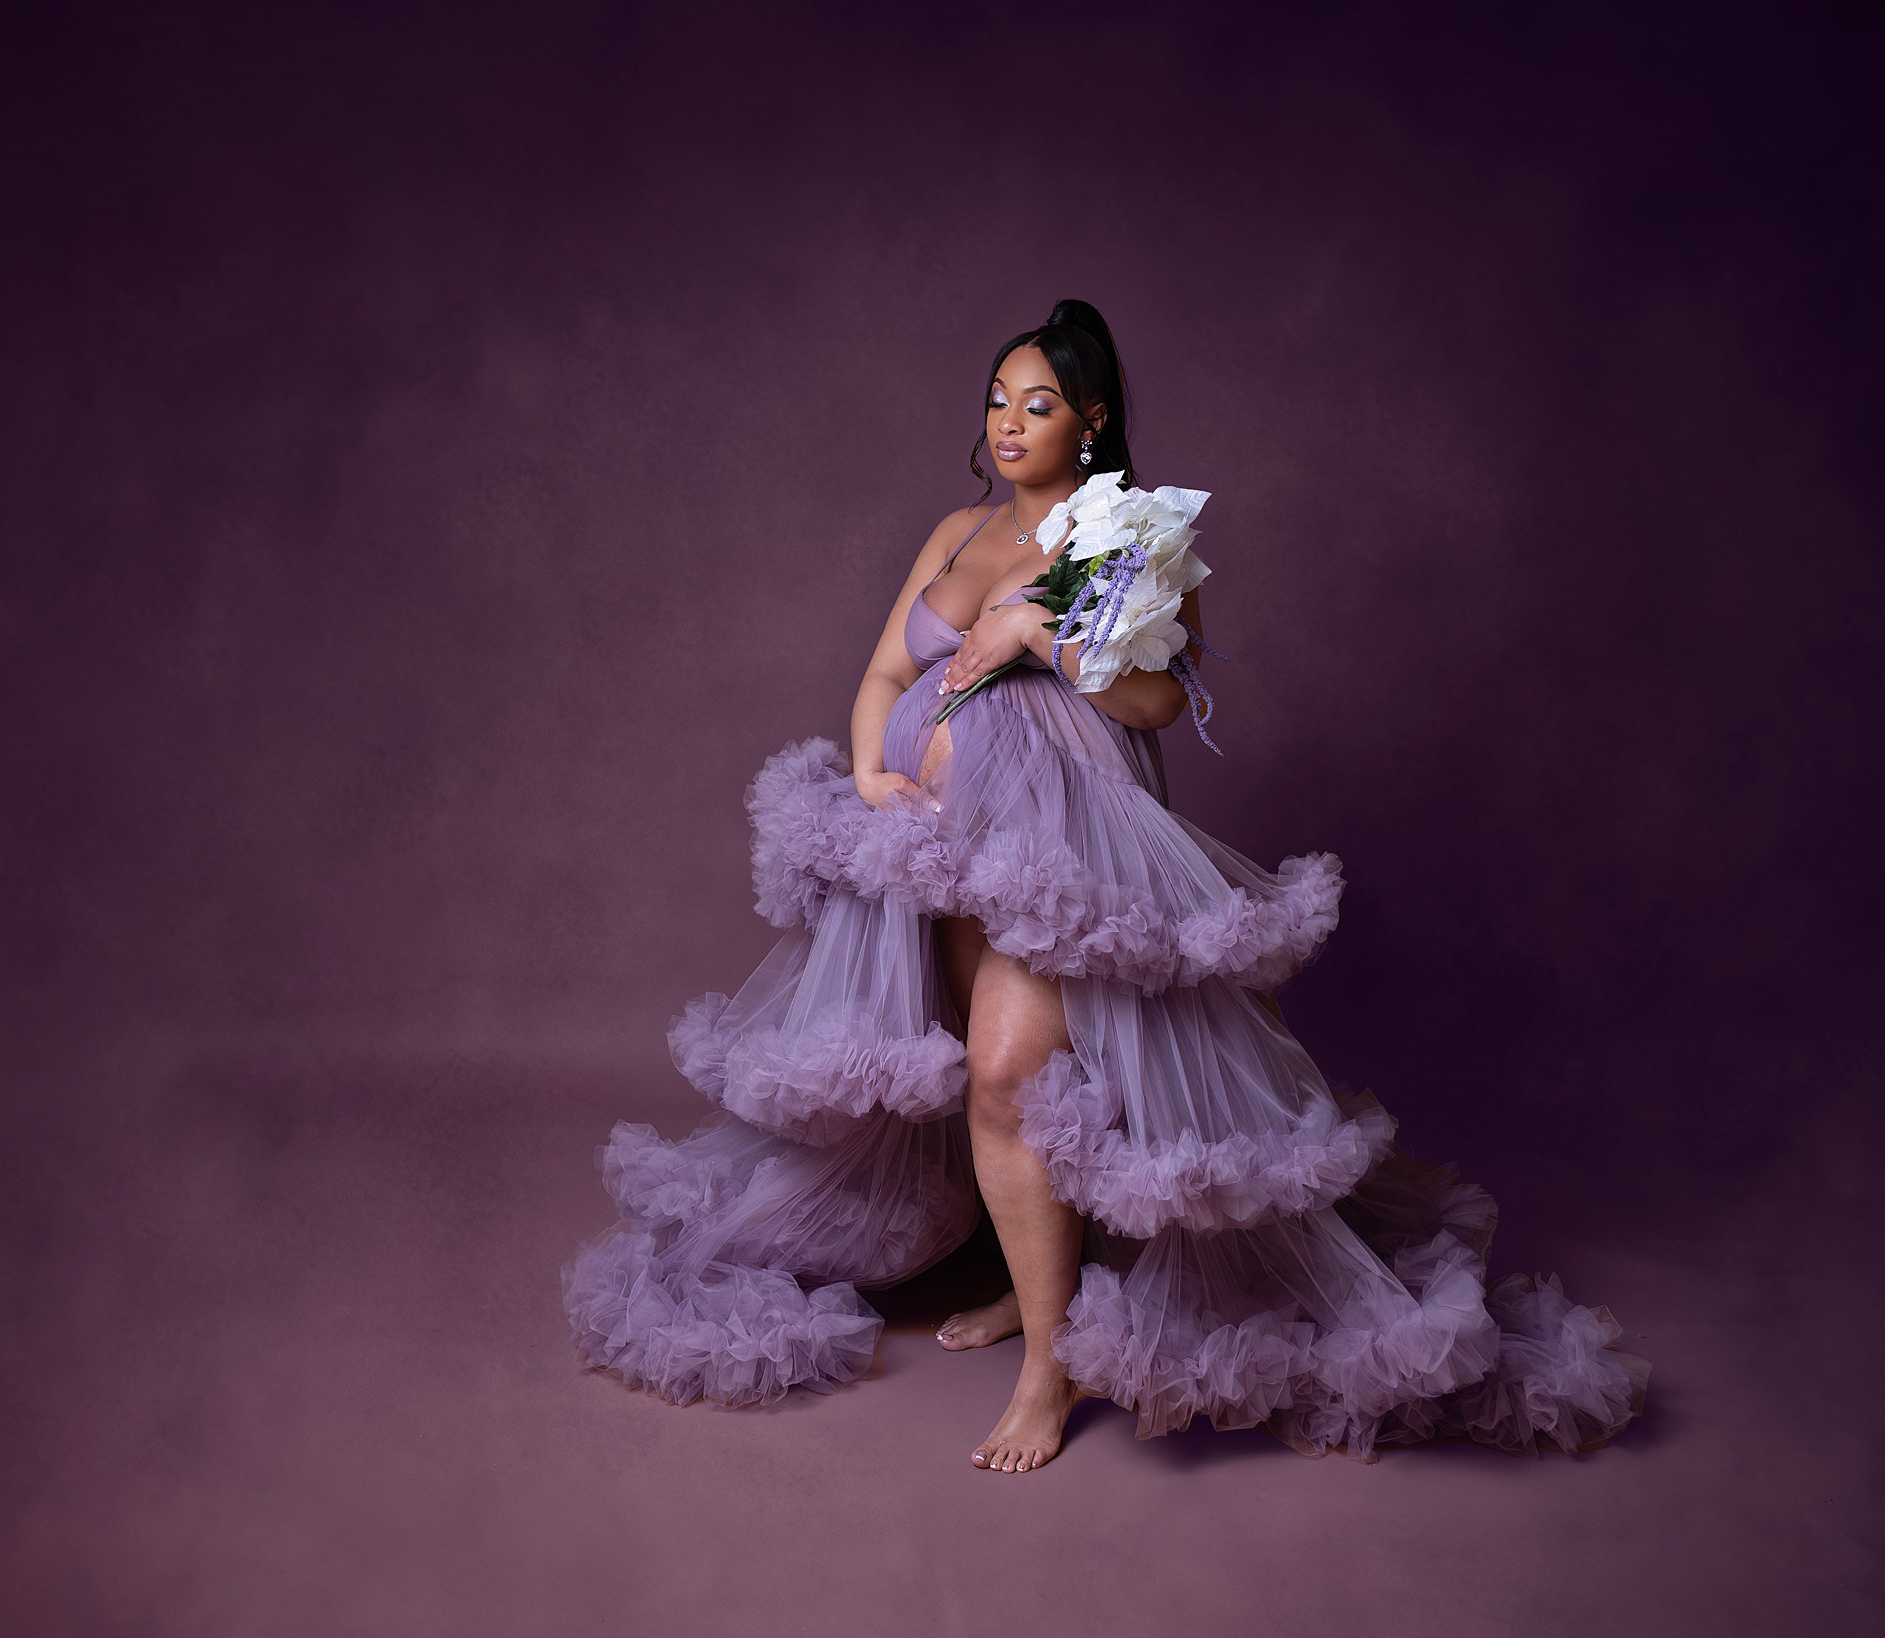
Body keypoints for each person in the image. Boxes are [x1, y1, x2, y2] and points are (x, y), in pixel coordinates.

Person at [560, 298, 1652, 1474]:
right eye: (996, 400)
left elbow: (1154, 704)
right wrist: (875, 778)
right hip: (932, 852)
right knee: (973, 1080)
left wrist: (1040, 637)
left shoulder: (1126, 534)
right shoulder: (954, 529)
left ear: (1089, 422)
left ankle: (1048, 1367)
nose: (1009, 422)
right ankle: (1042, 1296)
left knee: (1005, 1073)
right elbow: (884, 671)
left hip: (1054, 854)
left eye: (1038, 404)